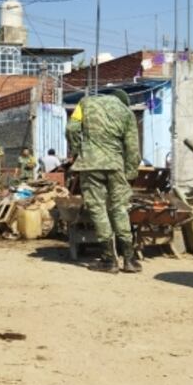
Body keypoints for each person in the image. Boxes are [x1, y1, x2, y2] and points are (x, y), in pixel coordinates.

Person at [66, 89, 140, 273]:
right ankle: (129, 259)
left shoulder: (84, 103)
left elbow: (71, 128)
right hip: (116, 164)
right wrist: (130, 173)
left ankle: (109, 260)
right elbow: (132, 147)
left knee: (98, 209)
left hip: (90, 164)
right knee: (119, 209)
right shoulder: (127, 112)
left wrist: (76, 151)